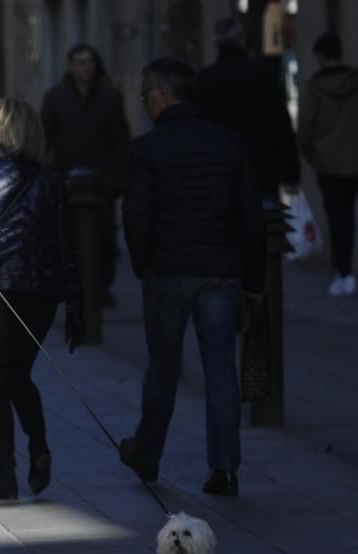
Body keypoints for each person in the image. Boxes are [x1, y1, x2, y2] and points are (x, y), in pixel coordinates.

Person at [117, 58, 264, 497]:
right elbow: (251, 217)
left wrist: (143, 264)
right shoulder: (228, 142)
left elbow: (136, 216)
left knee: (163, 368)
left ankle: (148, 453)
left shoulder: (149, 148)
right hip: (219, 271)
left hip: (169, 269)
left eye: (145, 96)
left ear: (162, 94)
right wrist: (253, 279)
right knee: (220, 370)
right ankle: (224, 468)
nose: (144, 105)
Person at [0, 98, 83, 500]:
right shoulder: (51, 182)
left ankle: (6, 473)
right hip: (37, 294)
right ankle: (38, 445)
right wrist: (76, 306)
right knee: (19, 374)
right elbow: (67, 248)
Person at [41, 43, 130, 307]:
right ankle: (71, 285)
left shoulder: (110, 98)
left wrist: (117, 177)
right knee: (66, 237)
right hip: (66, 180)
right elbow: (45, 140)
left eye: (89, 62)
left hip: (100, 180)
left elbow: (120, 140)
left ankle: (100, 286)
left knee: (104, 237)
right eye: (80, 62)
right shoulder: (56, 98)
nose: (85, 67)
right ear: (70, 66)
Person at [297, 32, 358, 297]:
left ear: (320, 56)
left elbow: (305, 129)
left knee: (335, 216)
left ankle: (342, 271)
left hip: (327, 162)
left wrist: (313, 155)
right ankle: (346, 271)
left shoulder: (314, 88)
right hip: (355, 161)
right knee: (348, 214)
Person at [196, 15, 300, 201]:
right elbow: (280, 127)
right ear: (242, 40)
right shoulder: (262, 76)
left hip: (217, 175)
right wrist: (290, 174)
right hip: (260, 172)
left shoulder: (204, 81)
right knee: (264, 226)